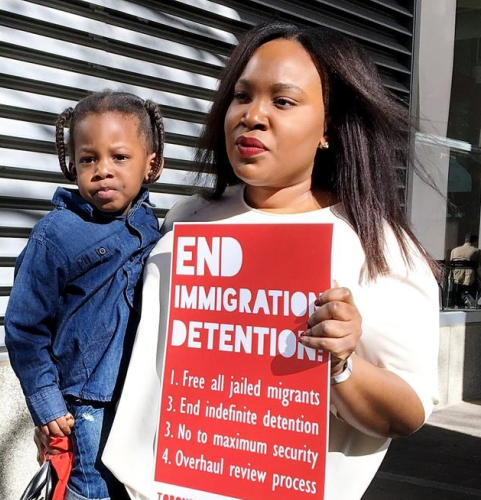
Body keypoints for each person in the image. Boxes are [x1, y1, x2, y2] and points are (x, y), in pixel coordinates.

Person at [102, 23, 439, 500]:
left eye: (283, 101)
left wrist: (341, 362)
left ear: (329, 127)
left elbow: (406, 413)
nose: (253, 116)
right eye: (243, 96)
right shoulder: (187, 218)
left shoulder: (374, 247)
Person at [4, 91, 165, 500]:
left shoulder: (152, 225)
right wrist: (47, 404)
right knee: (90, 492)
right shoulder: (55, 235)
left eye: (119, 157)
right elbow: (24, 327)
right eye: (89, 159)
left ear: (151, 164)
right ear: (71, 164)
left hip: (140, 399)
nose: (102, 171)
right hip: (85, 408)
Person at [449, 232, 479, 308]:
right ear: (475, 242)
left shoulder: (454, 250)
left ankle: (458, 303)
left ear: (465, 241)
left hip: (456, 278)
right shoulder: (477, 250)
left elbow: (450, 265)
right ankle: (474, 303)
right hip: (470, 279)